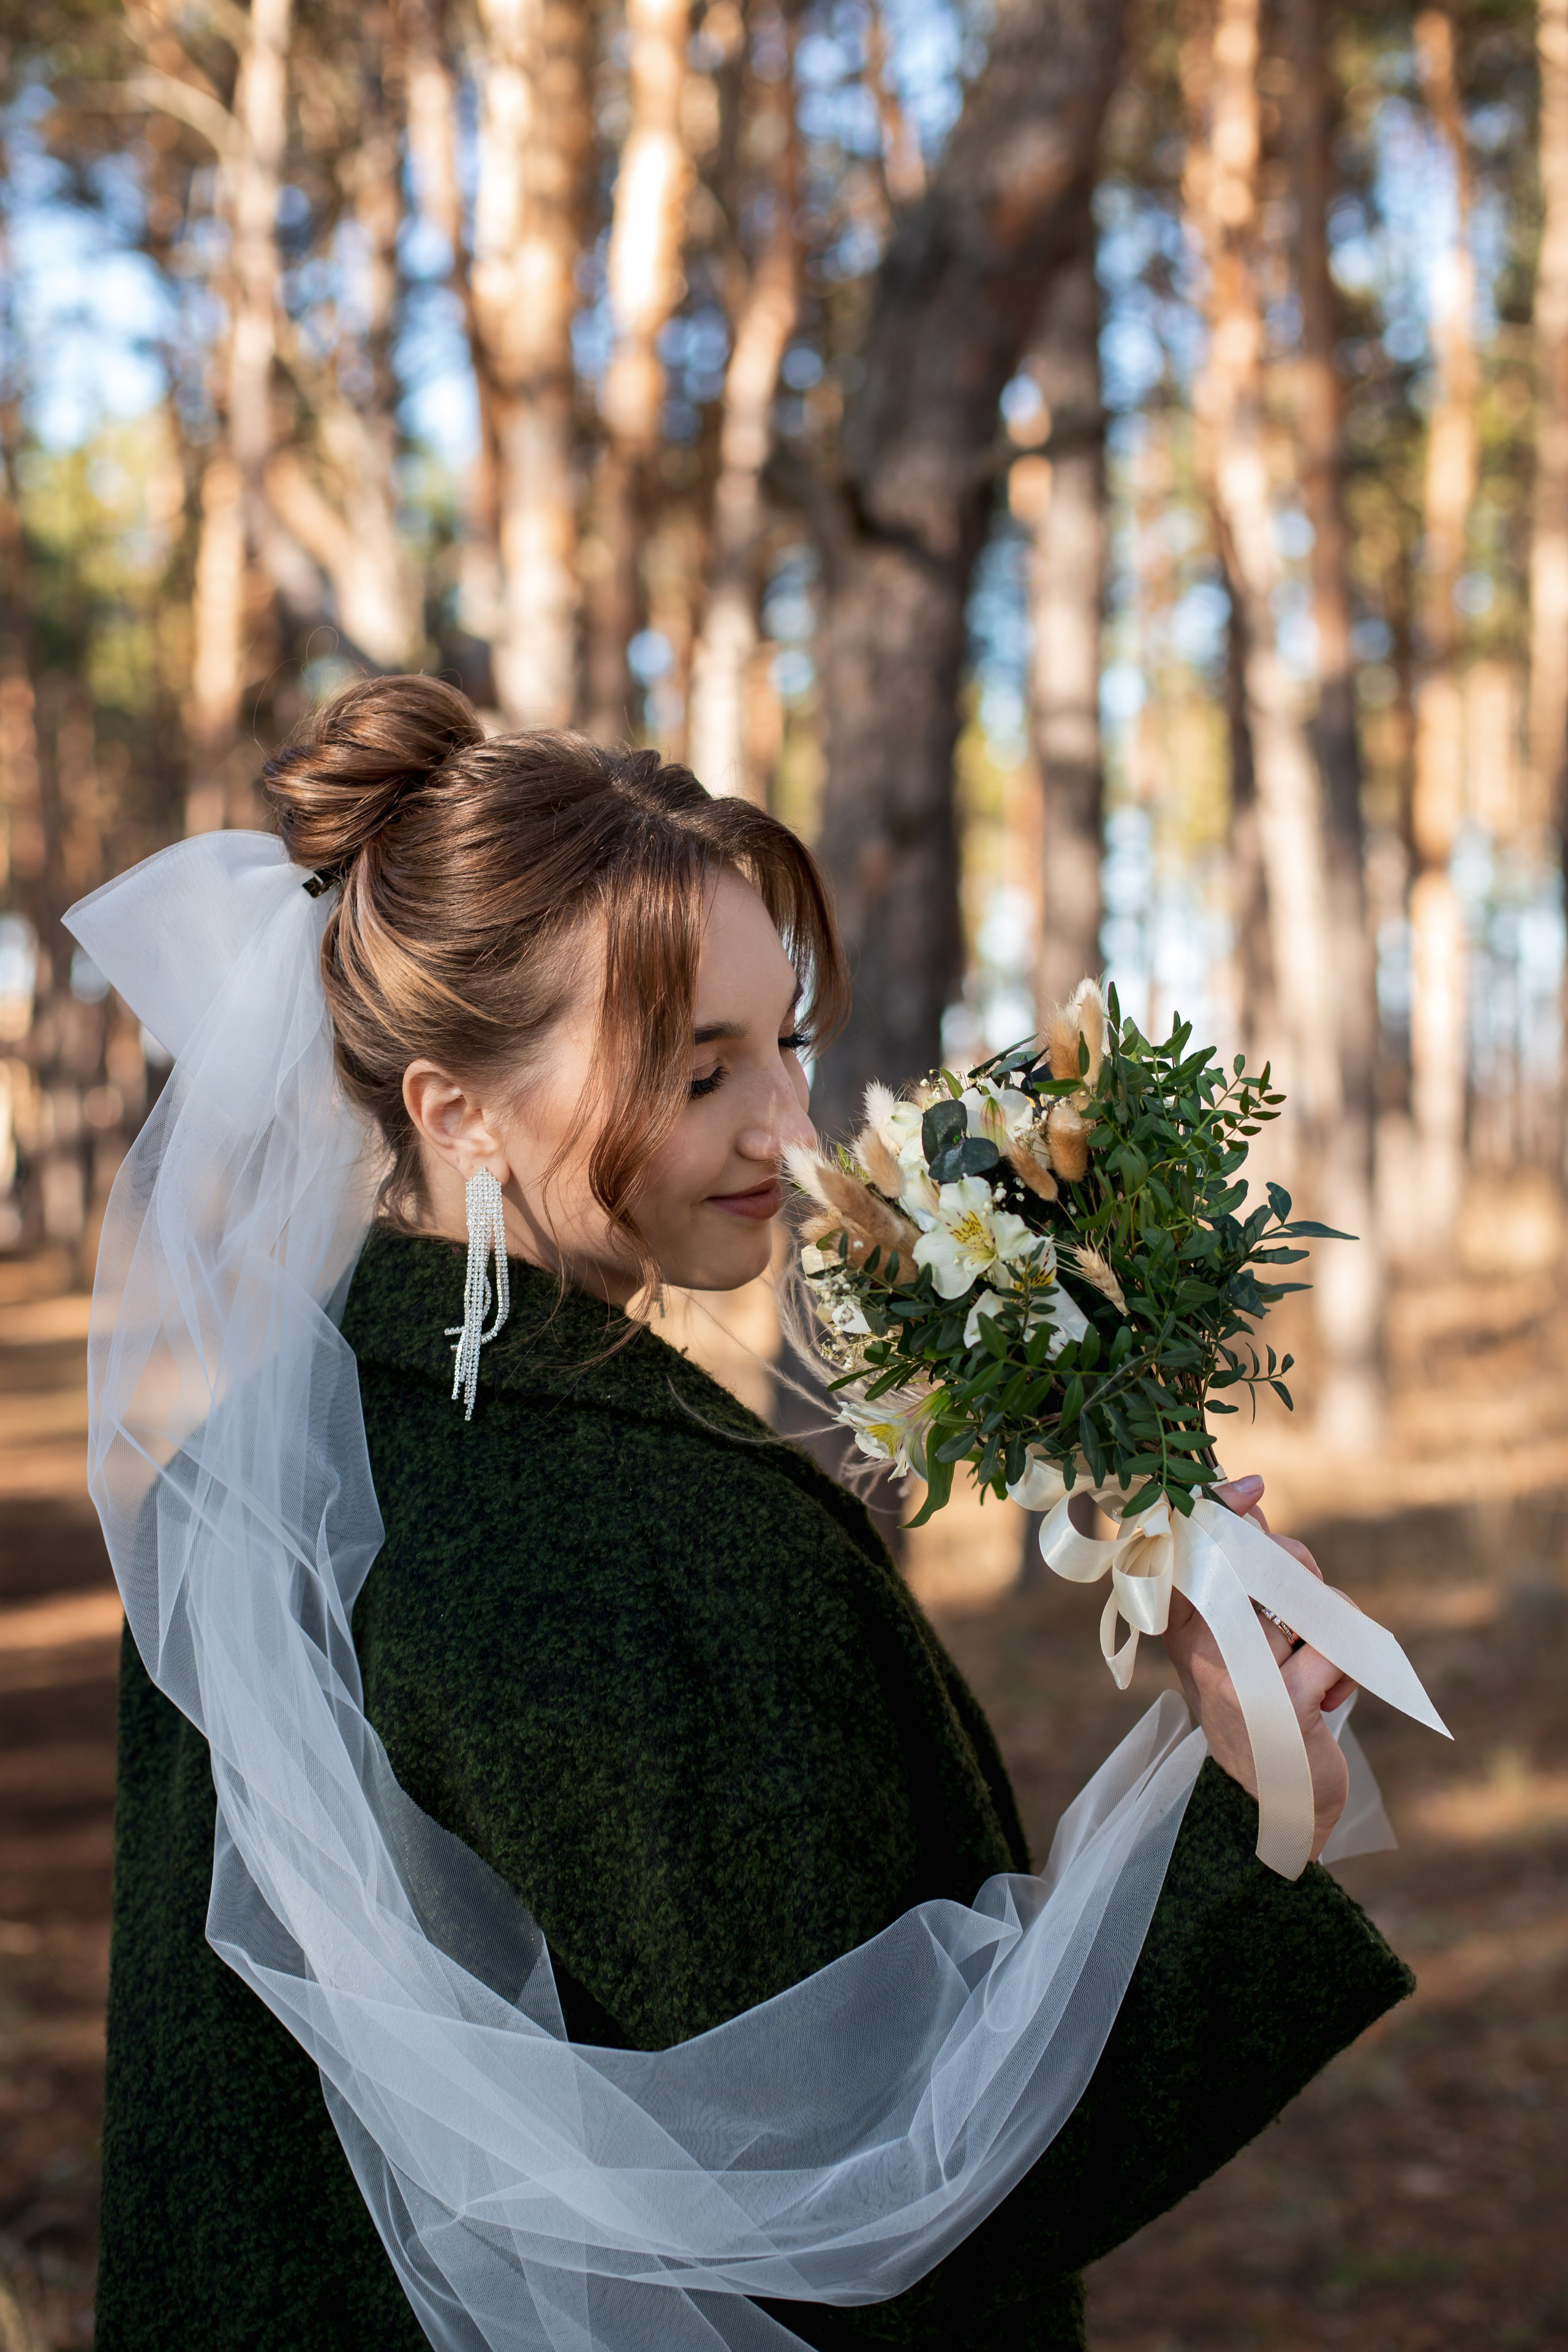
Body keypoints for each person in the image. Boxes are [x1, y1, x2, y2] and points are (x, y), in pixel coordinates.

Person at [92, 676, 1411, 2352]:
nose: (789, 1128)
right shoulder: (661, 1544)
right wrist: (1255, 1808)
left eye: (783, 1042)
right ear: (455, 1109)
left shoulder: (237, 1485)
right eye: (695, 1069)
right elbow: (876, 2185)